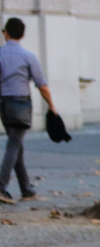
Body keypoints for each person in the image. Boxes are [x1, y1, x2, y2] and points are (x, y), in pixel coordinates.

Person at [1, 17, 57, 203]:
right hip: (21, 105)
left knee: (16, 145)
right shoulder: (29, 57)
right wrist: (51, 104)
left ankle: (26, 189)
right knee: (14, 145)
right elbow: (42, 85)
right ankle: (1, 187)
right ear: (23, 35)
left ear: (6, 33)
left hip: (4, 105)